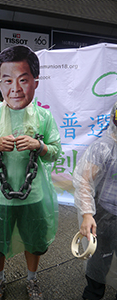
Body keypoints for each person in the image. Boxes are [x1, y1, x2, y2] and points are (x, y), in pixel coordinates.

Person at [0, 45, 61, 300]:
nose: (15, 88)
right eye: (7, 80)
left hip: (34, 195)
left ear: (35, 82)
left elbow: (55, 151)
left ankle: (32, 279)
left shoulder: (43, 117)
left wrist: (40, 146)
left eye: (23, 80)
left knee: (35, 240)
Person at [73, 101, 117, 300]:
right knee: (98, 264)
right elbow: (85, 180)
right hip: (104, 218)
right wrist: (87, 214)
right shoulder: (104, 148)